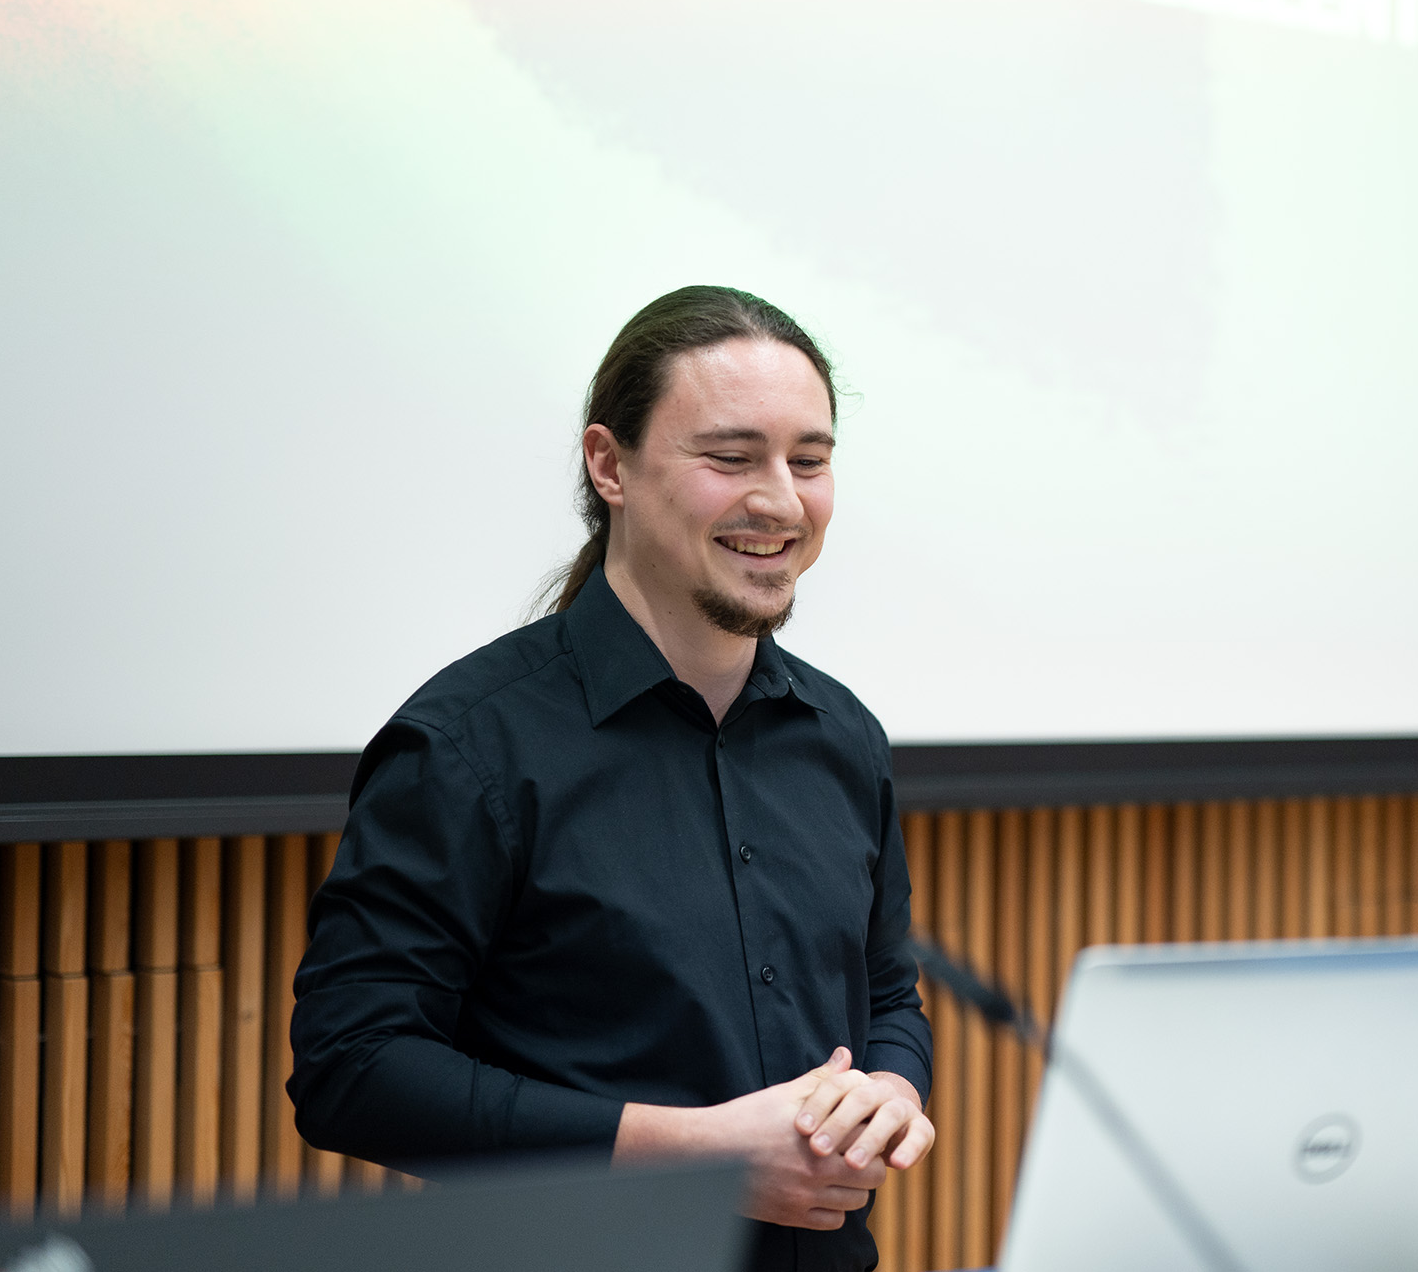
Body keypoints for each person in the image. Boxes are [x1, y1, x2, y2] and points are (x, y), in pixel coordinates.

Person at [289, 286, 935, 1272]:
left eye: (809, 459)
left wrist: (890, 1088)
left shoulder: (843, 735)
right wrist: (689, 1155)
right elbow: (352, 1065)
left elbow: (887, 994)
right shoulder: (467, 745)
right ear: (609, 464)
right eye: (730, 456)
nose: (780, 498)